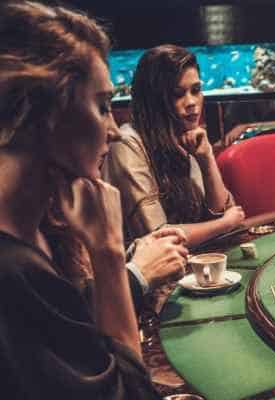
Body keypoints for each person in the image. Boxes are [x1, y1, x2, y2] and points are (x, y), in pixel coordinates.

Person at [0, 1, 167, 397]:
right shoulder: (12, 272)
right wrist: (108, 253)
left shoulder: (36, 232)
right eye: (103, 106)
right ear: (44, 111)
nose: (113, 130)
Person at [104, 45, 245, 248]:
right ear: (154, 100)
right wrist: (223, 224)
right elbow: (159, 238)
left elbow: (225, 214)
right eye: (178, 94)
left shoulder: (186, 137)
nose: (191, 102)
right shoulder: (127, 143)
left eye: (196, 90)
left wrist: (206, 160)